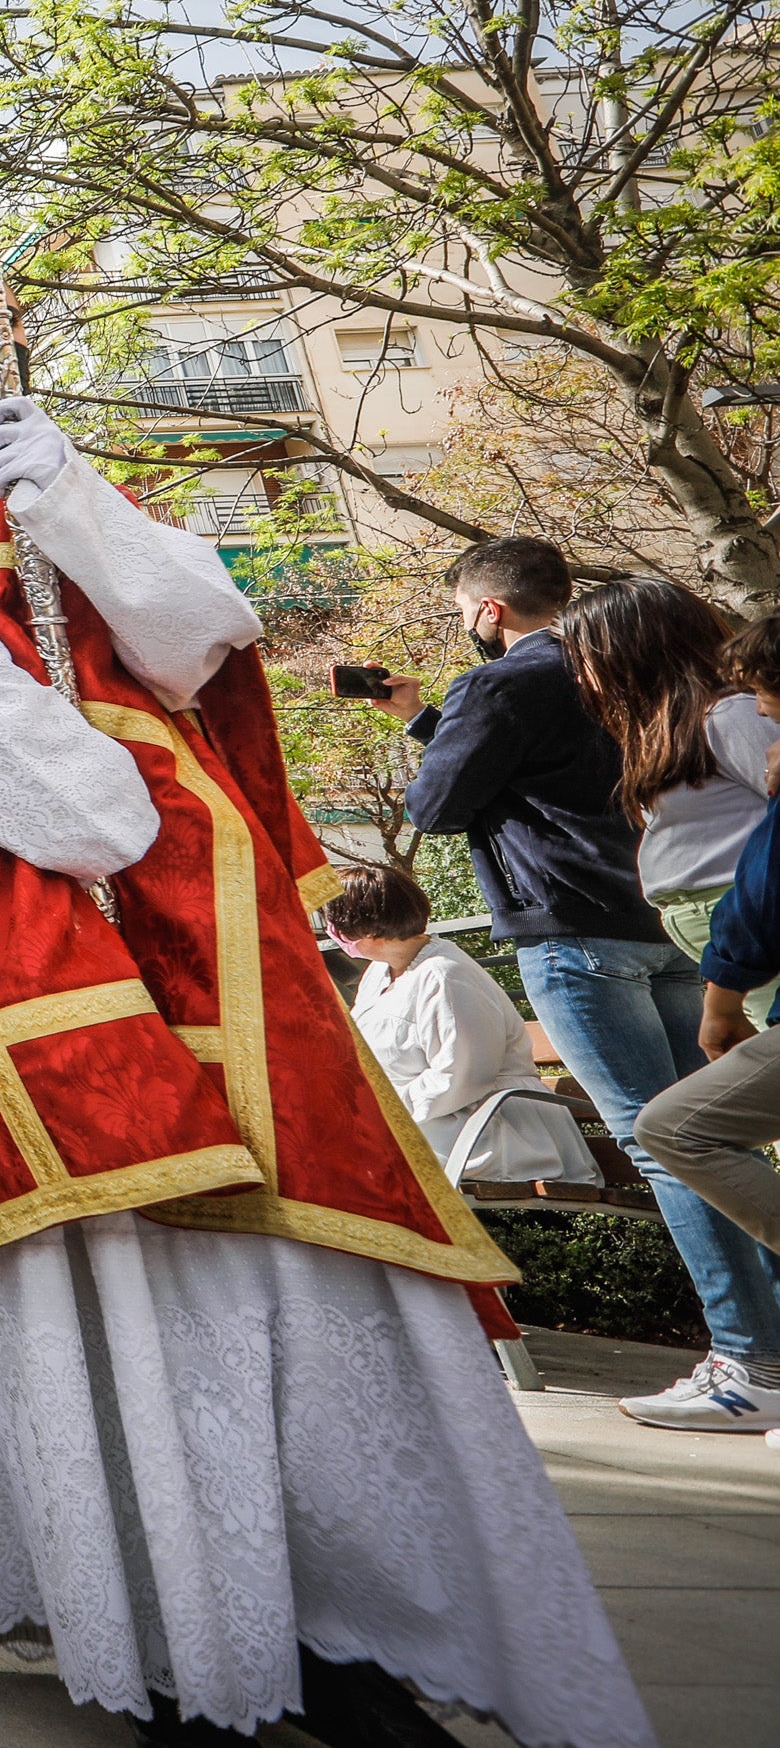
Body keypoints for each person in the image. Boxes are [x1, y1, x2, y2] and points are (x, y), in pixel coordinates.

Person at [0, 261, 646, 1747]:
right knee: (109, 1251)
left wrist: (78, 507)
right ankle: (164, 1612)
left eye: (2, 322)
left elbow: (199, 634)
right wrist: (93, 801)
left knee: (290, 1243)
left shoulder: (74, 472)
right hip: (15, 891)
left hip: (192, 897)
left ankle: (327, 1601)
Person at [375, 535, 780, 1431]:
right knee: (716, 1133)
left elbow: (437, 807)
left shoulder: (504, 680)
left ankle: (748, 1360)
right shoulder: (645, 675)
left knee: (660, 1137)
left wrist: (436, 731)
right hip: (677, 930)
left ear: (489, 609)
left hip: (572, 931)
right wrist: (422, 717)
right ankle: (764, 1349)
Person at [631, 622, 780, 1279]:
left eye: (768, 693)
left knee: (674, 1126)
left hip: (751, 966)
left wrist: (722, 996)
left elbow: (766, 882)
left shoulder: (729, 716)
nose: (764, 709)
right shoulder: (694, 722)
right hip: (740, 963)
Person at [562, 582, 780, 1010]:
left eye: (584, 655)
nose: (580, 673)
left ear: (631, 650)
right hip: (729, 935)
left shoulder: (730, 715)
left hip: (750, 930)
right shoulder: (678, 727)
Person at [324, 865, 559, 1176]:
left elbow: (459, 1077)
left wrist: (380, 1109)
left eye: (333, 923)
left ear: (367, 928)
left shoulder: (446, 975)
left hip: (480, 1127)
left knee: (344, 1166)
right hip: (424, 1123)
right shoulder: (378, 972)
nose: (330, 931)